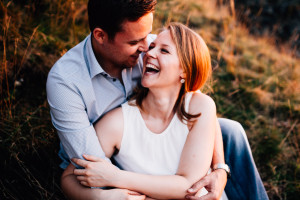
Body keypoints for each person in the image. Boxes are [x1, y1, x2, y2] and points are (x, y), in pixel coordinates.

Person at [46, 0, 268, 199]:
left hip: (165, 125)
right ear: (101, 36)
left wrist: (220, 168)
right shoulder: (66, 82)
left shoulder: (149, 50)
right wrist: (111, 192)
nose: (147, 49)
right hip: (111, 153)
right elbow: (93, 169)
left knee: (232, 131)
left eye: (149, 38)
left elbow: (198, 100)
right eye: (136, 41)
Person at [68, 22, 229, 200]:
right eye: (152, 47)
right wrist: (102, 197)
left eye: (164, 51)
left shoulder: (200, 106)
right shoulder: (118, 123)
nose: (149, 53)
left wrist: (116, 177)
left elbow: (188, 186)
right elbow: (69, 178)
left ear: (184, 69)